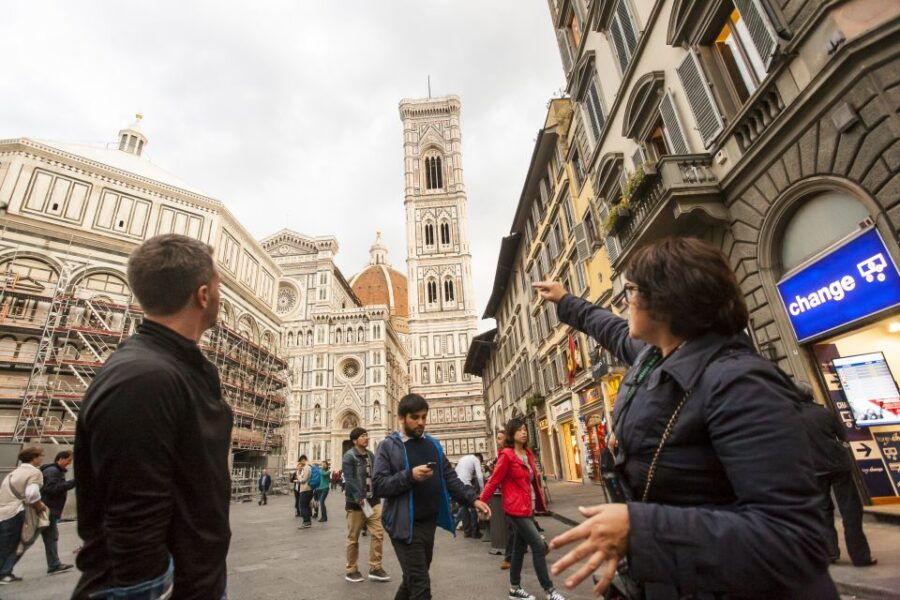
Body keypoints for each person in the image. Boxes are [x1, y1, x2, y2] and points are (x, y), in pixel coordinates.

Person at [535, 237, 836, 599]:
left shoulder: (739, 383)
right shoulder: (654, 355)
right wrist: (565, 300)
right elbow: (609, 328)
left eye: (631, 290)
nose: (624, 300)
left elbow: (794, 538)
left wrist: (641, 528)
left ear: (666, 298)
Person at [73, 234, 232, 600]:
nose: (221, 293)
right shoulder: (144, 378)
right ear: (203, 295)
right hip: (154, 589)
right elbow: (132, 516)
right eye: (219, 283)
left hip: (197, 580)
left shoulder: (173, 367)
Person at [373, 393, 491, 600]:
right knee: (421, 585)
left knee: (413, 579)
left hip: (428, 523)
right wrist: (409, 475)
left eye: (424, 417)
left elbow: (449, 477)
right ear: (401, 418)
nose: (421, 423)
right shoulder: (388, 447)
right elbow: (379, 485)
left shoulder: (433, 445)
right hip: (403, 525)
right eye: (415, 417)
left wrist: (473, 499)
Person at [480, 419, 564, 600]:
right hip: (514, 509)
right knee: (537, 545)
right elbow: (494, 480)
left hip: (527, 507)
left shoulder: (528, 454)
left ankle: (515, 588)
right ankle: (549, 591)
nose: (524, 433)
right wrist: (481, 502)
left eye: (525, 429)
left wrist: (540, 503)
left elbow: (533, 481)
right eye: (519, 430)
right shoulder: (507, 455)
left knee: (518, 549)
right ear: (512, 434)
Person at [798, 383, 877, 567]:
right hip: (837, 465)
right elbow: (843, 436)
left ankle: (830, 553)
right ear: (811, 395)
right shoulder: (824, 413)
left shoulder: (791, 418)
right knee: (850, 511)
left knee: (823, 511)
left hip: (813, 470)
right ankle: (860, 557)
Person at [343, 427, 389, 583]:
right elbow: (349, 480)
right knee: (353, 538)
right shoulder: (349, 457)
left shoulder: (370, 455)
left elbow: (376, 475)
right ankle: (351, 569)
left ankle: (375, 567)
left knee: (378, 533)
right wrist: (359, 498)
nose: (367, 438)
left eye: (367, 436)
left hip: (373, 502)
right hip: (357, 504)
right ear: (355, 440)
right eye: (363, 436)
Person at [0, 446, 48, 585]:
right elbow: (31, 494)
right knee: (14, 544)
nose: (42, 458)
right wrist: (40, 507)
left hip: (3, 512)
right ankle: (4, 573)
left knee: (3, 543)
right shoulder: (35, 473)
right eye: (40, 456)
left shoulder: (13, 473)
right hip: (16, 511)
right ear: (34, 458)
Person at [39, 450, 76, 575]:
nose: (69, 463)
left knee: (51, 537)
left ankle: (54, 564)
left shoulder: (56, 471)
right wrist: (72, 483)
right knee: (27, 539)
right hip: (46, 510)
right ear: (60, 459)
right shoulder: (53, 471)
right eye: (68, 460)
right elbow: (51, 489)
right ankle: (4, 570)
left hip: (50, 510)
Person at [454, 453, 484, 538]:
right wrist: (482, 489)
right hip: (467, 484)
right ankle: (475, 532)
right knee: (473, 507)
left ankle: (467, 531)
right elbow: (480, 476)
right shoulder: (476, 459)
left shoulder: (463, 458)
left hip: (458, 485)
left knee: (464, 507)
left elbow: (456, 471)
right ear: (479, 458)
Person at [294, 456, 313, 529]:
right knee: (306, 506)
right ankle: (308, 522)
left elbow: (304, 480)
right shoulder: (309, 467)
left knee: (302, 506)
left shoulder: (306, 468)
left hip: (305, 489)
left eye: (300, 461)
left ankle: (306, 522)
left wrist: (298, 477)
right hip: (308, 489)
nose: (300, 463)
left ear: (303, 460)